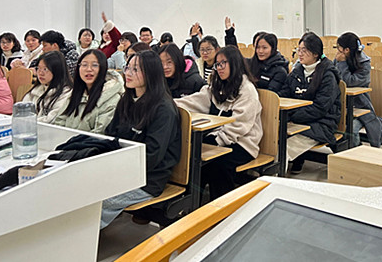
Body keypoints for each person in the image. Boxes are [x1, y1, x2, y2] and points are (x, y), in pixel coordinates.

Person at [100, 50, 181, 228]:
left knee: (97, 202)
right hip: (121, 171)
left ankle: (81, 241)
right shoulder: (127, 100)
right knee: (82, 190)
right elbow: (110, 134)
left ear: (151, 73)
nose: (128, 73)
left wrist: (117, 169)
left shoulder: (163, 109)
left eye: (135, 69)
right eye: (127, 67)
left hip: (147, 180)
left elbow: (152, 156)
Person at [174, 46, 262, 200]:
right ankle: (192, 203)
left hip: (243, 143)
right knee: (193, 159)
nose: (219, 68)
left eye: (223, 63)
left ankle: (222, 206)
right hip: (219, 138)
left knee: (217, 164)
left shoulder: (247, 90)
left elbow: (239, 125)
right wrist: (170, 104)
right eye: (217, 64)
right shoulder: (217, 85)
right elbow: (196, 101)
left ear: (234, 63)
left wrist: (216, 141)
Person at [279, 32, 341, 174]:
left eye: (304, 50)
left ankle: (272, 178)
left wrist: (292, 116)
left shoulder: (327, 75)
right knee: (271, 140)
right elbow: (285, 92)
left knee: (283, 148)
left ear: (315, 53)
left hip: (321, 123)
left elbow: (320, 108)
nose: (300, 54)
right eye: (299, 49)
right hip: (298, 121)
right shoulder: (297, 71)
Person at [334, 32, 382, 147]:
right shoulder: (339, 58)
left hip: (360, 106)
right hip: (341, 105)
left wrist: (342, 63)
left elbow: (349, 82)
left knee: (351, 130)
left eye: (339, 48)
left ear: (346, 50)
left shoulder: (364, 64)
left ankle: (356, 150)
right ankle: (349, 150)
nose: (337, 51)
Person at [54, 49, 124, 133]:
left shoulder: (112, 99)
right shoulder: (75, 93)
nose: (89, 69)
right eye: (84, 65)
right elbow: (59, 121)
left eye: (94, 65)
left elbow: (99, 133)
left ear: (103, 68)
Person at [22, 51, 73, 124]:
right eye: (38, 68)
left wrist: (28, 121)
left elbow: (51, 120)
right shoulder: (37, 89)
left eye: (45, 69)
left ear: (57, 71)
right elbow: (22, 110)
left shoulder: (67, 93)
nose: (40, 73)